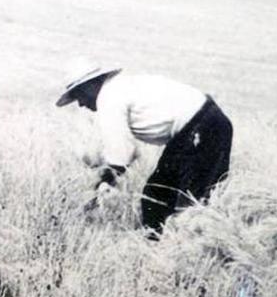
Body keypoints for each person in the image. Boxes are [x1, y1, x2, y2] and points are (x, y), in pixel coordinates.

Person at [55, 59, 233, 239]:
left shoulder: (108, 98)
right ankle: (157, 246)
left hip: (203, 128)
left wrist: (101, 183)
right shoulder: (121, 86)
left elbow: (122, 154)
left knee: (190, 205)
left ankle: (191, 252)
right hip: (196, 127)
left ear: (90, 86)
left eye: (79, 96)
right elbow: (126, 153)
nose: (80, 104)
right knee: (156, 194)